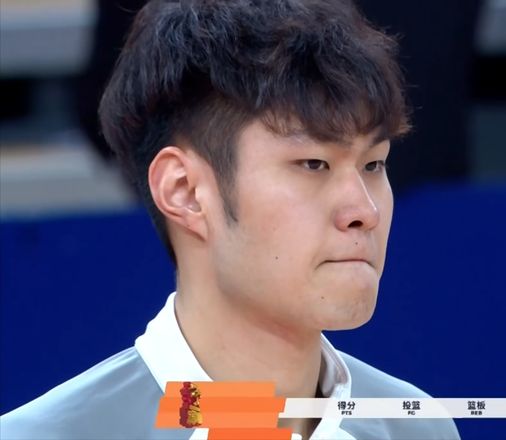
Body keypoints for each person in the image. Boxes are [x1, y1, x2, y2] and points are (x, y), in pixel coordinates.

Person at [0, 0, 460, 438]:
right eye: (314, 164)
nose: (365, 211)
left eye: (373, 164)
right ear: (184, 191)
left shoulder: (416, 426)